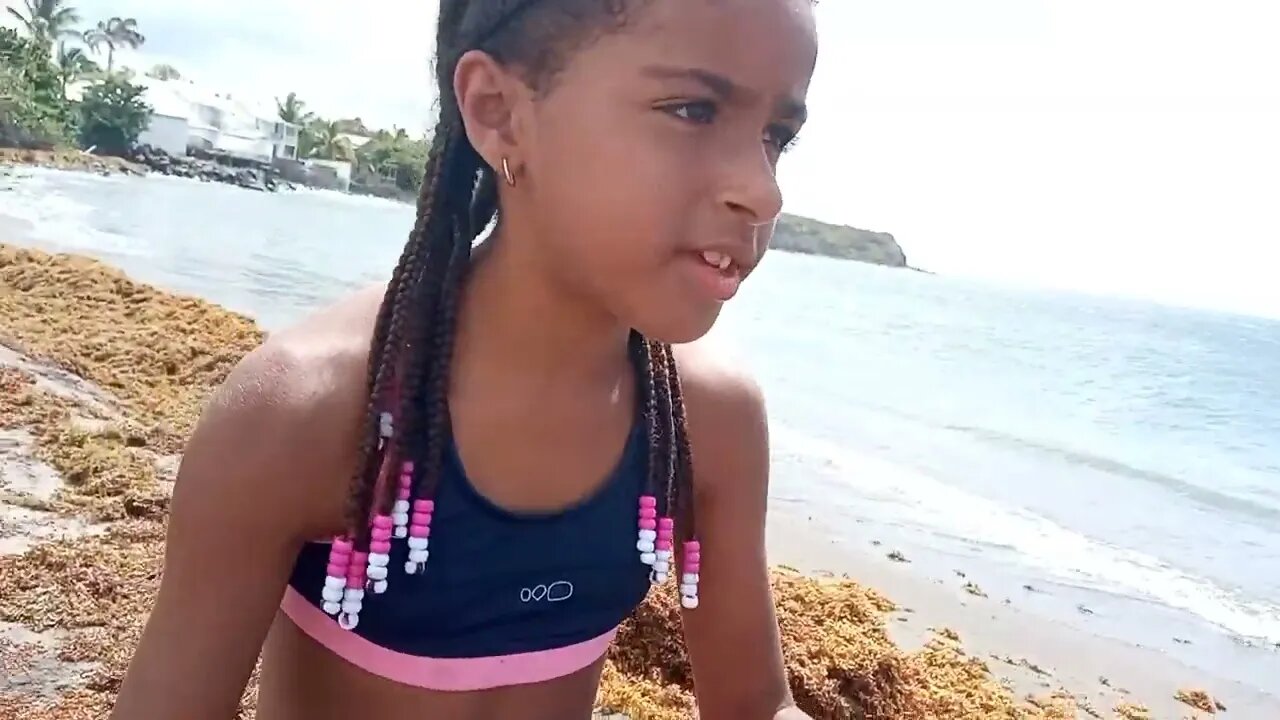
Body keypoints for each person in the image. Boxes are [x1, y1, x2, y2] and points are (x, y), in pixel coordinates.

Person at [110, 0, 817, 717]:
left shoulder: (707, 421)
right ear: (498, 110)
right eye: (693, 110)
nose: (762, 191)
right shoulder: (307, 412)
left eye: (776, 137)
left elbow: (755, 704)